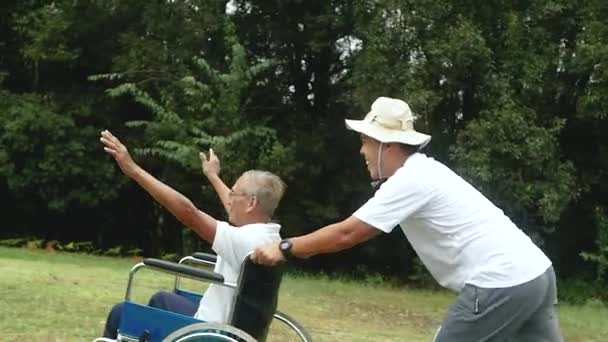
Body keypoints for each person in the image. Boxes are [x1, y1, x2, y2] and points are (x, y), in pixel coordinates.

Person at [252, 97, 563, 341]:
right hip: (536, 274)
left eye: (365, 141)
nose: (361, 151)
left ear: (386, 145)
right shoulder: (426, 172)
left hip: (500, 283)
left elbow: (349, 233)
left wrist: (285, 247)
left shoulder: (410, 179)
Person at [99, 130, 286, 339]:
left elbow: (189, 213)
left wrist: (134, 170)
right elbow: (233, 204)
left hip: (208, 332)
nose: (229, 197)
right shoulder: (268, 237)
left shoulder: (244, 240)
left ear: (251, 203)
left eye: (234, 192)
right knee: (161, 299)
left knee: (120, 314)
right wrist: (213, 175)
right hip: (233, 330)